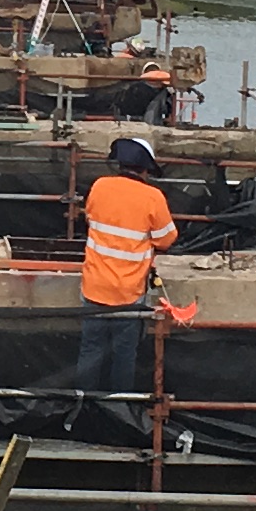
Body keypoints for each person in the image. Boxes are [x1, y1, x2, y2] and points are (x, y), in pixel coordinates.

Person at [75, 133, 179, 404]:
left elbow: (90, 217)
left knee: (90, 349)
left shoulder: (99, 186)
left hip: (94, 286)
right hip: (129, 293)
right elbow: (167, 238)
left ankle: (82, 405)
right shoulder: (152, 197)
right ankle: (120, 407)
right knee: (124, 354)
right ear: (145, 169)